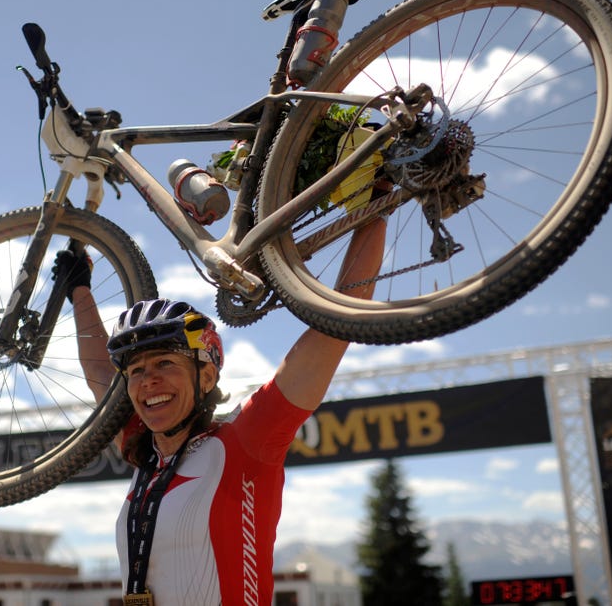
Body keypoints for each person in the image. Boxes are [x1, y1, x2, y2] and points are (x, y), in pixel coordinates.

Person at [52, 220, 385, 605]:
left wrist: (376, 206)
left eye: (165, 364)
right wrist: (78, 288)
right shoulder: (146, 455)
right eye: (136, 371)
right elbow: (98, 371)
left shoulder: (246, 441)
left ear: (206, 375)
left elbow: (333, 330)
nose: (148, 382)